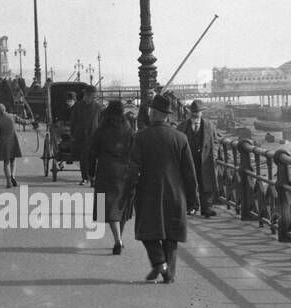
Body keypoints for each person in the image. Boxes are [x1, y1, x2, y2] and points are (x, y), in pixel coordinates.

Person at [129, 93, 199, 284]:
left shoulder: (141, 137)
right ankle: (169, 273)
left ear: (153, 113)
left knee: (146, 231)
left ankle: (159, 262)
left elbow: (133, 168)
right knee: (171, 234)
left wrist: (128, 191)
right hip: (176, 192)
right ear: (167, 115)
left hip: (148, 192)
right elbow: (189, 173)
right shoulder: (181, 138)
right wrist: (193, 200)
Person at [85, 99, 134, 254]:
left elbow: (93, 152)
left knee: (107, 206)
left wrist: (91, 172)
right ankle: (120, 238)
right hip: (124, 170)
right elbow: (134, 149)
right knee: (122, 205)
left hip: (106, 169)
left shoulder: (101, 129)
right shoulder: (128, 128)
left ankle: (117, 239)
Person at [177, 100, 218, 218]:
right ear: (189, 112)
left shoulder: (209, 125)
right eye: (193, 112)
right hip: (188, 158)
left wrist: (214, 154)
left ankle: (207, 208)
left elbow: (216, 141)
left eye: (197, 112)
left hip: (205, 159)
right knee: (190, 182)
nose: (195, 114)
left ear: (202, 112)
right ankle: (192, 206)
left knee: (206, 182)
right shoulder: (182, 126)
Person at [70, 85, 102, 186]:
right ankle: (85, 178)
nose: (88, 98)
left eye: (91, 96)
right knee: (83, 158)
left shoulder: (97, 107)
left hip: (94, 136)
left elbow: (100, 121)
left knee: (93, 158)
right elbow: (73, 121)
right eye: (87, 96)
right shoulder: (78, 106)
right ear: (85, 95)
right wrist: (74, 133)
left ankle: (92, 177)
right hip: (81, 136)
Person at [0, 102, 21, 188]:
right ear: (4, 109)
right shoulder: (12, 116)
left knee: (6, 163)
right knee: (13, 161)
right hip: (13, 141)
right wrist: (31, 122)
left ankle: (8, 181)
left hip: (3, 143)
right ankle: (13, 176)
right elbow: (23, 121)